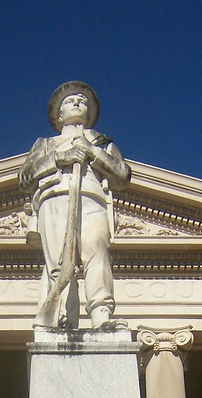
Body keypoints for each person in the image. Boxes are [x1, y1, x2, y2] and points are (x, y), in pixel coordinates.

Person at [19, 81, 131, 330]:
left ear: (90, 113)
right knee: (60, 264)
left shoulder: (102, 143)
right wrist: (60, 158)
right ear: (60, 115)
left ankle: (101, 314)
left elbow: (122, 175)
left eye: (82, 100)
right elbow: (25, 178)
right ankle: (64, 319)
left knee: (97, 249)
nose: (77, 103)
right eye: (70, 101)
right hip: (55, 198)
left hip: (92, 199)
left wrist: (92, 152)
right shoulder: (45, 144)